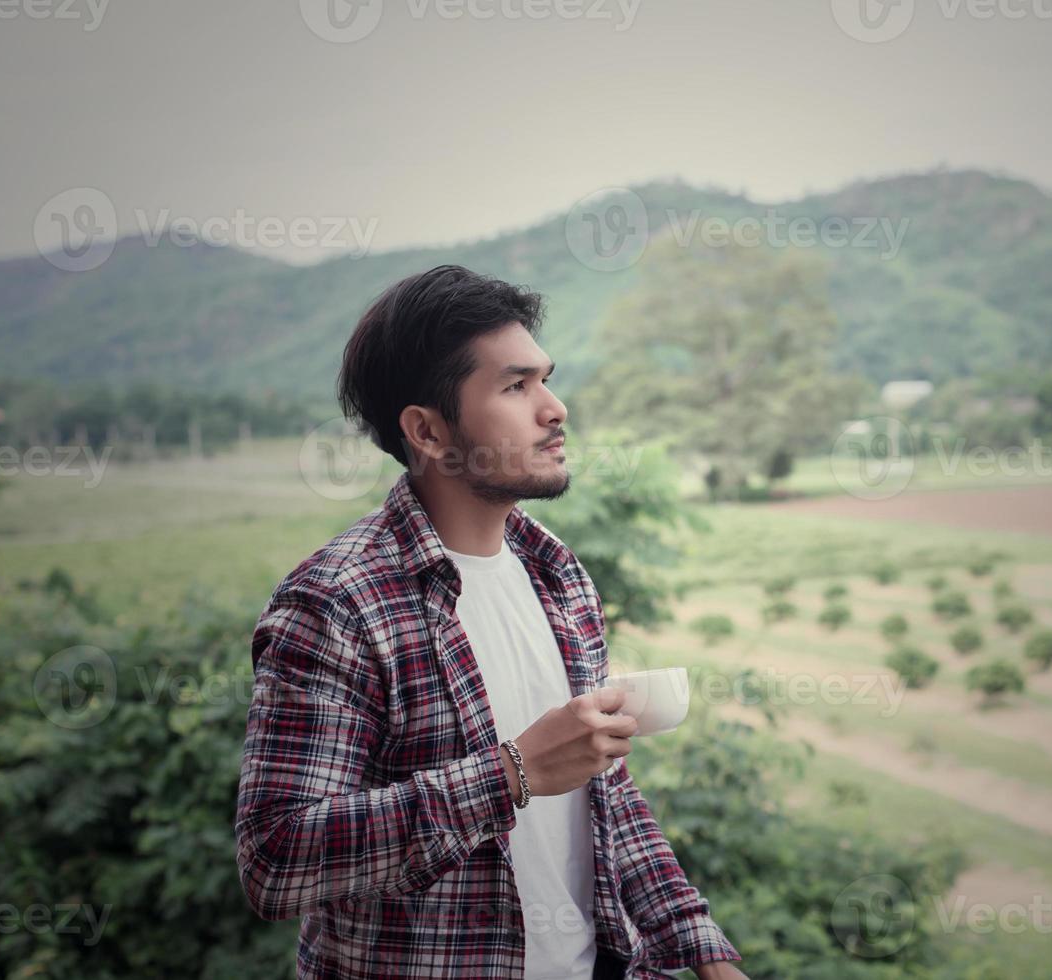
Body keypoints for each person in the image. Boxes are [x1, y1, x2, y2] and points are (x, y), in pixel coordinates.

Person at [233, 265, 746, 979]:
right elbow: (276, 858)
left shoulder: (555, 570)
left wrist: (705, 951)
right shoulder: (338, 604)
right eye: (515, 387)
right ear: (429, 431)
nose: (555, 407)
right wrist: (510, 774)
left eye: (545, 379)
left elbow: (609, 794)